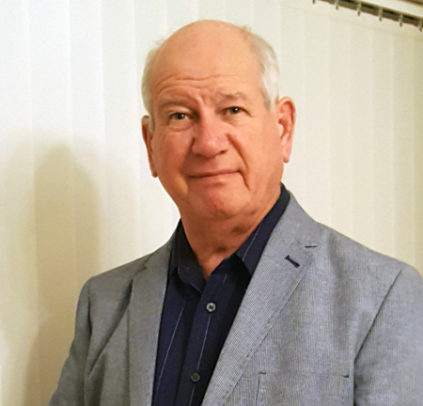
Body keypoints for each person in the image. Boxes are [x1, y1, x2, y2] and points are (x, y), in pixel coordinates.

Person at [50, 20, 423, 406]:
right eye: (179, 116)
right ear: (151, 144)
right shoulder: (104, 303)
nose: (208, 143)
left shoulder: (381, 297)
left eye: (232, 109)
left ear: (283, 129)